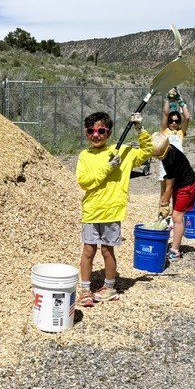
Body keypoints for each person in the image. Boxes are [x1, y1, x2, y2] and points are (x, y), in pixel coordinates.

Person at [76, 111, 153, 307]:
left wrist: (140, 129)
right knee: (88, 250)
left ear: (108, 133)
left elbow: (147, 151)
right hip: (92, 211)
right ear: (86, 132)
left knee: (108, 251)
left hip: (112, 211)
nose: (96, 135)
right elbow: (84, 182)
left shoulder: (123, 153)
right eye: (91, 130)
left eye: (101, 131)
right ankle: (85, 290)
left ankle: (109, 288)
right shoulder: (84, 156)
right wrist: (108, 167)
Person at [151, 131, 195, 262]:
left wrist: (164, 203)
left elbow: (169, 186)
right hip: (179, 183)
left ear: (168, 147)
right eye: (156, 157)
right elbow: (166, 180)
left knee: (177, 217)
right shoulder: (167, 150)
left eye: (161, 156)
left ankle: (175, 251)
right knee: (175, 214)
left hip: (187, 186)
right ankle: (174, 244)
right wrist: (163, 198)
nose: (159, 158)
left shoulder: (171, 159)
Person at [156, 108, 190, 227]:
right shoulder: (165, 132)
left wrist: (180, 101)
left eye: (176, 121)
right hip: (165, 164)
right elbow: (165, 113)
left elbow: (187, 117)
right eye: (171, 121)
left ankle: (175, 216)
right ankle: (162, 215)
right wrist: (168, 97)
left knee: (176, 191)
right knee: (164, 191)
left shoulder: (181, 133)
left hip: (177, 167)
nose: (173, 123)